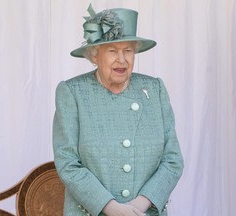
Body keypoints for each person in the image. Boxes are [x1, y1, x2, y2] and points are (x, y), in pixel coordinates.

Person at [53, 4, 184, 216]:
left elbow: (173, 159)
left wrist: (139, 204)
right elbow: (68, 163)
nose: (121, 59)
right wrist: (111, 208)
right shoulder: (72, 93)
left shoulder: (154, 89)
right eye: (112, 51)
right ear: (95, 55)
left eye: (128, 50)